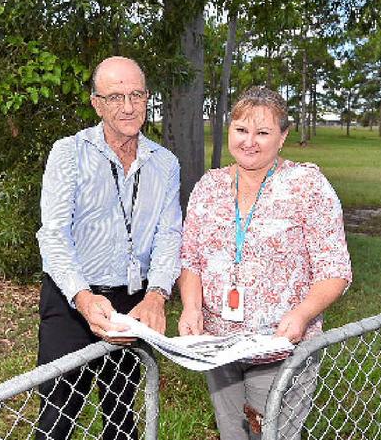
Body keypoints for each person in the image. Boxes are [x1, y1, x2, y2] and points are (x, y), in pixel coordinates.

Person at [178, 86, 352, 440]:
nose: (249, 142)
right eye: (241, 130)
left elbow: (335, 271)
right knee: (234, 434)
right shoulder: (208, 187)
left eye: (263, 132)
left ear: (283, 136)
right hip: (219, 346)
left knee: (269, 435)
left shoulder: (308, 186)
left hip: (280, 345)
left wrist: (302, 315)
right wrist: (191, 307)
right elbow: (190, 259)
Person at [35, 56, 182, 440]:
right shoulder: (68, 152)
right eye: (115, 97)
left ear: (148, 97)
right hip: (72, 298)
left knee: (121, 410)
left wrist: (157, 295)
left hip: (133, 300)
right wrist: (82, 299)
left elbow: (169, 234)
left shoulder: (165, 163)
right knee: (58, 414)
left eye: (136, 94)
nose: (129, 107)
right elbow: (53, 235)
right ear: (96, 103)